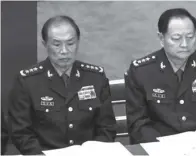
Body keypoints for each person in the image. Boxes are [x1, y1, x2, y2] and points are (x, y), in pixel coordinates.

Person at [8, 15, 116, 155]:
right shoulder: (27, 81)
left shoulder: (95, 77)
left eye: (70, 43)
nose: (64, 51)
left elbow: (107, 127)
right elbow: (21, 133)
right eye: (57, 44)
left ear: (78, 42)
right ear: (45, 44)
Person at [125, 8, 196, 144]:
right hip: (159, 148)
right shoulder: (141, 71)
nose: (185, 44)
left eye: (190, 37)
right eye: (176, 38)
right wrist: (164, 147)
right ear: (161, 38)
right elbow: (138, 123)